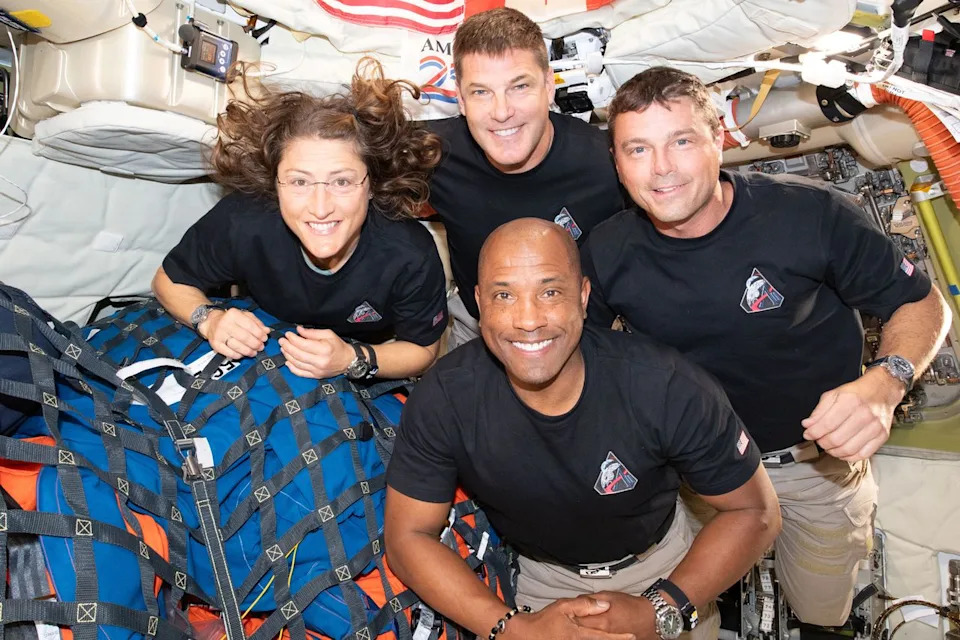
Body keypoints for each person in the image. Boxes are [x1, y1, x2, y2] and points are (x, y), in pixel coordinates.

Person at [581, 66, 952, 626]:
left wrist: (885, 383)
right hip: (694, 476)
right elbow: (580, 355)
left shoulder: (809, 216)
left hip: (814, 470)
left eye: (681, 141)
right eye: (638, 149)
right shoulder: (606, 251)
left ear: (718, 140)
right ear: (617, 163)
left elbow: (922, 303)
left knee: (822, 610)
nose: (661, 168)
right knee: (681, 612)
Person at [385, 218, 781, 640]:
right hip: (536, 577)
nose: (528, 320)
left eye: (550, 292)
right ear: (480, 303)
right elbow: (408, 537)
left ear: (583, 296)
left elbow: (755, 511)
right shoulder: (444, 399)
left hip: (664, 566)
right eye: (504, 295)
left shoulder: (664, 384)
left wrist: (661, 609)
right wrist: (513, 628)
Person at [152, 60, 448, 381]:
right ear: (274, 184)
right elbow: (169, 280)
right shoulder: (243, 220)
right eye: (299, 182)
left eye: (342, 182)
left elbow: (423, 350)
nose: (320, 208)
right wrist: (209, 319)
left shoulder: (409, 253)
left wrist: (351, 359)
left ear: (373, 184)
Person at [425, 7, 625, 348]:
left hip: (585, 335)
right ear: (460, 99)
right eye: (481, 92)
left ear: (548, 86)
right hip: (478, 330)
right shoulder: (432, 154)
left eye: (519, 86)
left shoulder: (604, 162)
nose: (502, 112)